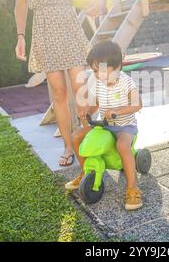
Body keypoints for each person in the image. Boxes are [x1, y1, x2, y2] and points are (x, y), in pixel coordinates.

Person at [14, 0, 100, 166]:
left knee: (79, 88)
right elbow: (21, 2)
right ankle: (68, 146)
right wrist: (20, 35)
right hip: (44, 29)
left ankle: (88, 138)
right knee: (59, 93)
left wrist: (93, 3)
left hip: (68, 26)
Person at [65, 41, 144, 211]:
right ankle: (86, 172)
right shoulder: (98, 83)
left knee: (122, 145)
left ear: (117, 67)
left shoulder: (126, 83)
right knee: (76, 137)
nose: (98, 75)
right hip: (103, 125)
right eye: (94, 71)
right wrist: (87, 111)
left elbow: (137, 105)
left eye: (101, 70)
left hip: (124, 126)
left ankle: (132, 188)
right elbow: (96, 104)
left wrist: (117, 111)